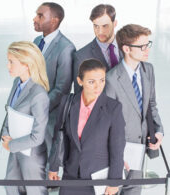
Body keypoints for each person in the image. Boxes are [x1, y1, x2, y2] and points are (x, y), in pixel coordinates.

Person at [49, 59, 126, 195]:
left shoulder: (113, 108)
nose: (98, 86)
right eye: (91, 82)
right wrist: (53, 167)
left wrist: (114, 181)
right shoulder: (67, 103)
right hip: (71, 174)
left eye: (102, 80)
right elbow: (58, 137)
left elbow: (117, 149)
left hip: (98, 178)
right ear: (80, 81)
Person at [105, 24, 165, 195]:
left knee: (133, 191)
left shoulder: (148, 70)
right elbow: (107, 122)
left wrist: (159, 131)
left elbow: (151, 104)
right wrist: (115, 155)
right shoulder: (111, 79)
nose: (147, 50)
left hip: (139, 147)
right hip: (119, 151)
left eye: (148, 44)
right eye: (142, 46)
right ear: (126, 49)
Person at [1, 41, 50, 195]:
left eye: (11, 62)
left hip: (31, 157)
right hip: (15, 148)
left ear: (26, 64)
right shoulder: (17, 83)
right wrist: (5, 135)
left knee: (34, 191)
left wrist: (11, 145)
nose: (8, 66)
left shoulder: (38, 95)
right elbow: (10, 111)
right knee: (11, 186)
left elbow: (38, 137)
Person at [33, 2, 76, 155]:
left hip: (50, 116)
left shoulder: (66, 48)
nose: (34, 19)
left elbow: (62, 89)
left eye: (40, 15)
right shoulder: (37, 42)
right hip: (33, 113)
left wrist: (39, 109)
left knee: (52, 158)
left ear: (54, 20)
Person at [73, 4, 123, 93]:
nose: (100, 31)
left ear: (115, 23)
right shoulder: (81, 56)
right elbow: (79, 96)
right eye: (96, 26)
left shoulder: (128, 48)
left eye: (105, 26)